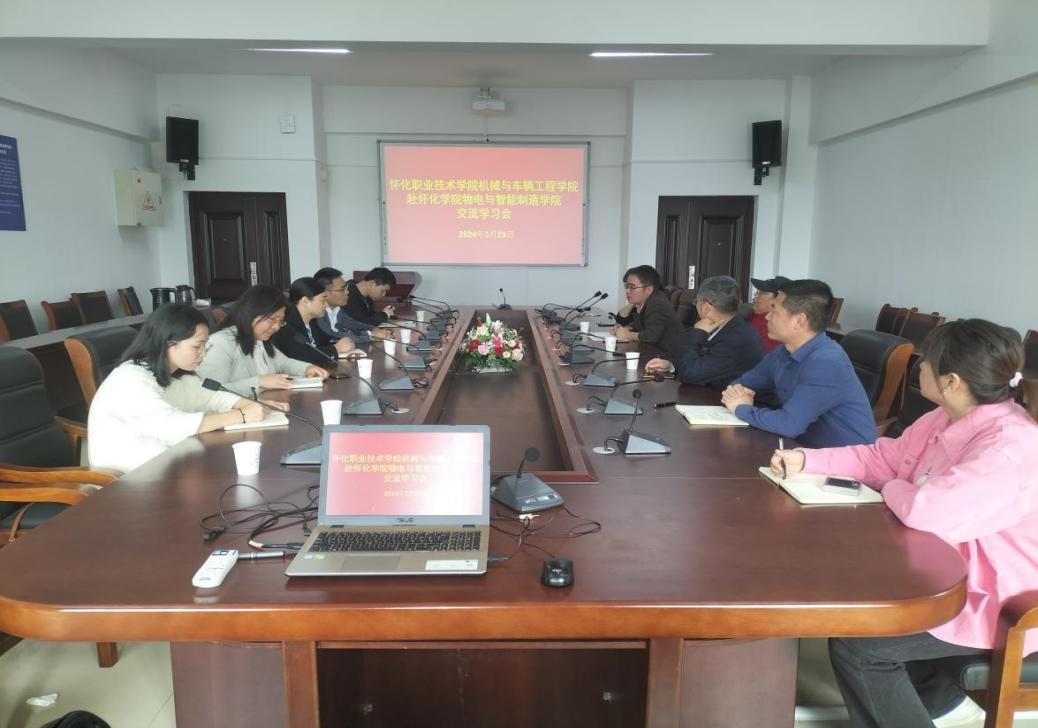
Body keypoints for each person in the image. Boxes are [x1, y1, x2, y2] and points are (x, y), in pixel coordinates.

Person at [770, 319, 1038, 728]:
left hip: (997, 599)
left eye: (926, 361)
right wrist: (808, 461)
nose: (919, 366)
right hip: (941, 571)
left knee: (860, 646)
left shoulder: (1006, 448)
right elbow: (885, 458)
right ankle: (940, 705)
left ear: (951, 381)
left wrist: (896, 486)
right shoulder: (946, 416)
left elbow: (926, 512)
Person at [87, 303, 283, 474]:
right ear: (168, 343)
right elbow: (173, 426)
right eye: (197, 347)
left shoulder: (178, 374)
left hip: (169, 466)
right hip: (130, 480)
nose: (203, 354)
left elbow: (210, 397)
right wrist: (241, 415)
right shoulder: (131, 379)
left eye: (205, 346)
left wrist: (249, 404)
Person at [721, 279, 875, 447]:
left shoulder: (827, 362)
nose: (767, 316)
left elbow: (788, 424)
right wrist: (738, 394)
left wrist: (741, 408)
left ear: (799, 321)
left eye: (774, 311)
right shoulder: (784, 350)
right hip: (799, 447)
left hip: (842, 458)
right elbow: (741, 384)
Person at [196, 284, 329, 393]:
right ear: (252, 312)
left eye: (280, 321)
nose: (276, 327)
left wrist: (307, 368)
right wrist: (260, 382)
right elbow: (212, 391)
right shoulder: (220, 343)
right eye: (273, 319)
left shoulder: (259, 339)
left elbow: (283, 363)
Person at [644, 275, 763, 388]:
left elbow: (688, 374)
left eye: (696, 302)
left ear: (706, 307)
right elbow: (700, 361)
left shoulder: (735, 339)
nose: (695, 305)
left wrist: (698, 333)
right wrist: (671, 365)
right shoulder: (731, 325)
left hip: (729, 399)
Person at [271, 277, 356, 366]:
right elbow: (300, 355)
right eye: (323, 300)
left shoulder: (312, 321)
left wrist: (343, 343)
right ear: (305, 301)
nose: (326, 304)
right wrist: (336, 348)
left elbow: (321, 343)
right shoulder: (285, 324)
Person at [611, 265, 689, 360]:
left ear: (648, 289)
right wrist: (627, 328)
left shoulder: (657, 303)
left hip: (671, 359)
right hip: (655, 354)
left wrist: (628, 335)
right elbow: (642, 322)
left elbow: (652, 335)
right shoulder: (646, 302)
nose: (627, 291)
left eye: (632, 287)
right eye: (627, 286)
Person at [312, 267, 394, 346]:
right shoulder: (318, 313)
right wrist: (371, 334)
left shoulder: (337, 309)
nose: (347, 292)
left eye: (346, 288)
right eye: (342, 289)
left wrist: (375, 329)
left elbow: (352, 324)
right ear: (325, 293)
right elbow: (333, 335)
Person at [748, 276, 789, 353]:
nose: (754, 297)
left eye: (760, 293)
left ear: (778, 299)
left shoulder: (773, 324)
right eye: (756, 292)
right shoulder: (753, 315)